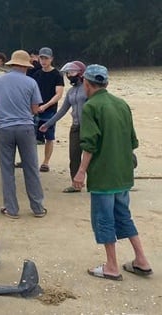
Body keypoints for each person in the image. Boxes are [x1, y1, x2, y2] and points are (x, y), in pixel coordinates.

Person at [73, 64, 152, 281]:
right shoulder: (122, 104)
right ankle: (141, 260)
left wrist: (80, 172)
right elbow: (132, 141)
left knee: (104, 219)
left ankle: (111, 266)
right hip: (123, 174)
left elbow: (89, 144)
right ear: (106, 83)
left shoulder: (91, 107)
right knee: (124, 216)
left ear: (86, 84)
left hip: (104, 175)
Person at [0, 50, 47, 219]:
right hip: (26, 128)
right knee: (31, 168)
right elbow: (35, 109)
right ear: (25, 66)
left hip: (4, 128)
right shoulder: (31, 83)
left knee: (7, 169)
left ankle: (11, 209)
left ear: (13, 64)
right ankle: (37, 208)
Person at [39, 61, 88, 193]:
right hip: (76, 127)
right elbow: (62, 110)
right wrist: (47, 124)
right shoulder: (71, 92)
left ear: (81, 73)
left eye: (72, 72)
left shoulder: (88, 88)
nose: (69, 75)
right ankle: (75, 183)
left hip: (89, 127)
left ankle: (95, 182)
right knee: (74, 156)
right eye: (67, 73)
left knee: (91, 155)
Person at [30, 47, 64, 172]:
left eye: (46, 58)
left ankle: (46, 162)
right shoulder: (36, 74)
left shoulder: (57, 75)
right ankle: (30, 160)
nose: (43, 61)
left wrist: (45, 105)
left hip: (49, 111)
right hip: (34, 110)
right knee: (31, 136)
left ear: (51, 59)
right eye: (41, 58)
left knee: (49, 136)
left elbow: (58, 94)